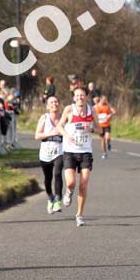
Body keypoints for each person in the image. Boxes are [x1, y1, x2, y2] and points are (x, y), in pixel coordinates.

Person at [57, 86, 100, 227]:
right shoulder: (69, 110)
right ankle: (68, 192)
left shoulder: (91, 110)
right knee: (70, 183)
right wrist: (67, 135)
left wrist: (92, 129)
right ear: (73, 97)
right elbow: (59, 126)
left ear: (86, 97)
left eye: (82, 95)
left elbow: (100, 129)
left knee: (84, 183)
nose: (79, 98)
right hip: (70, 151)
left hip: (86, 151)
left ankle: (79, 214)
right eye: (77, 96)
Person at [34, 96, 64, 214]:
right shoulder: (44, 118)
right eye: (51, 102)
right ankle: (50, 197)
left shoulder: (63, 118)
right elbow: (37, 136)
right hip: (46, 152)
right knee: (48, 178)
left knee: (57, 173)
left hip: (59, 150)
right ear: (47, 106)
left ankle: (58, 200)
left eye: (56, 102)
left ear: (59, 104)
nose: (54, 104)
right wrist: (51, 133)